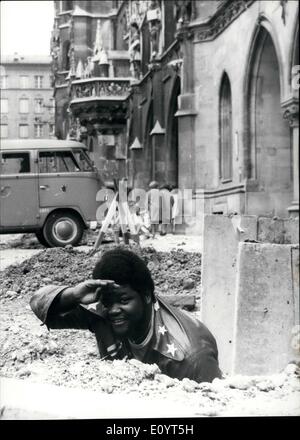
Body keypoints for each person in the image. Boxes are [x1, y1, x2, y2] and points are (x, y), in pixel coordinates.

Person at [30, 248, 222, 383]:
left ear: (146, 296)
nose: (113, 310)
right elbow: (40, 306)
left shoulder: (191, 354)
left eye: (123, 301)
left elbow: (212, 404)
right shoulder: (102, 313)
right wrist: (73, 294)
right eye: (107, 302)